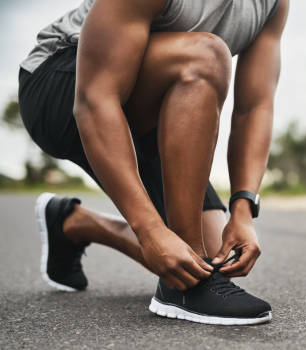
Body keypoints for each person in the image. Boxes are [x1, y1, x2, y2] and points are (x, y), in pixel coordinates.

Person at [18, 0, 289, 325]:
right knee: (205, 56)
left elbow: (254, 107)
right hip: (61, 83)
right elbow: (94, 98)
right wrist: (148, 230)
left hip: (153, 108)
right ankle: (184, 293)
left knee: (213, 256)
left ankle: (73, 224)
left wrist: (243, 210)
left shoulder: (272, 4)